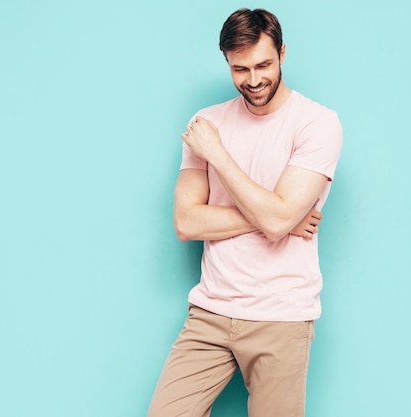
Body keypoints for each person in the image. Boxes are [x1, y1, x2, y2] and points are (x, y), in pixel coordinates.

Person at [148, 7, 342, 417]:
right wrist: (282, 218)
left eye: (263, 65)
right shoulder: (206, 123)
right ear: (226, 62)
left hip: (282, 317)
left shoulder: (317, 124)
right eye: (240, 69)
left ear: (283, 53)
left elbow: (276, 220)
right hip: (210, 312)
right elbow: (187, 222)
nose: (253, 80)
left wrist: (218, 155)